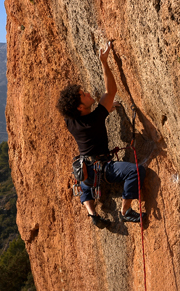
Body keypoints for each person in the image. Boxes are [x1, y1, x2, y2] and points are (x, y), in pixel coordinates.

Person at [56, 41, 145, 228]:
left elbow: (97, 110)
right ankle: (126, 211)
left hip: (86, 170)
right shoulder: (94, 119)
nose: (88, 93)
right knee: (135, 171)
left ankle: (92, 213)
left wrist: (108, 109)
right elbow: (111, 91)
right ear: (80, 107)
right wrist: (104, 61)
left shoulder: (71, 121)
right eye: (83, 95)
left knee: (84, 186)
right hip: (103, 168)